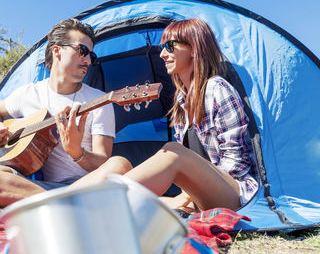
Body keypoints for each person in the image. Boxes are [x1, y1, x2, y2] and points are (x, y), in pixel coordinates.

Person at [0, 18, 131, 222]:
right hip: (40, 190)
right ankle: (65, 212)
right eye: (82, 51)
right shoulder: (29, 94)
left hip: (88, 188)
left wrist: (78, 153)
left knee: (119, 166)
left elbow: (103, 161)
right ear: (57, 51)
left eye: (91, 55)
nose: (88, 60)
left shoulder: (99, 101)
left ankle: (11, 213)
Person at [98, 18, 259, 213]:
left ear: (194, 48)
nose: (163, 54)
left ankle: (97, 204)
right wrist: (186, 196)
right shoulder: (182, 100)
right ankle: (81, 202)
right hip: (202, 197)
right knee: (148, 198)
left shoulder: (217, 88)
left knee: (173, 152)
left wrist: (192, 193)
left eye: (170, 46)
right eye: (162, 48)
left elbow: (237, 163)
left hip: (235, 195)